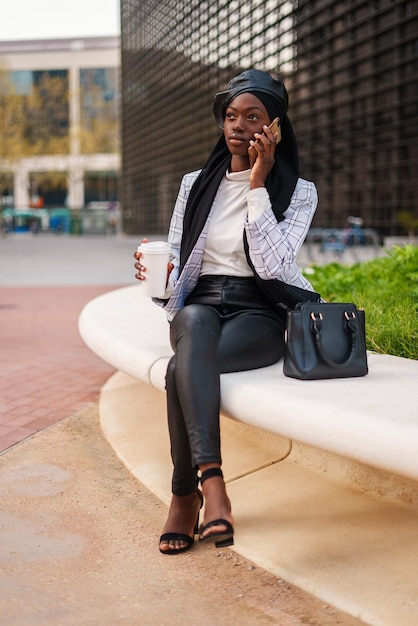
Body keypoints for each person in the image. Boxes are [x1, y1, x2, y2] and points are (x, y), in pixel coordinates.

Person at [134, 69, 320, 555]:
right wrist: (156, 276)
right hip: (199, 306)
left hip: (258, 312)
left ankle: (184, 494)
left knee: (181, 367)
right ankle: (213, 485)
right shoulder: (195, 184)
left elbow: (274, 265)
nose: (237, 126)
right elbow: (176, 271)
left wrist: (258, 184)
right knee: (192, 321)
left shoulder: (298, 192)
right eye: (230, 116)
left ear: (274, 127)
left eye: (252, 116)